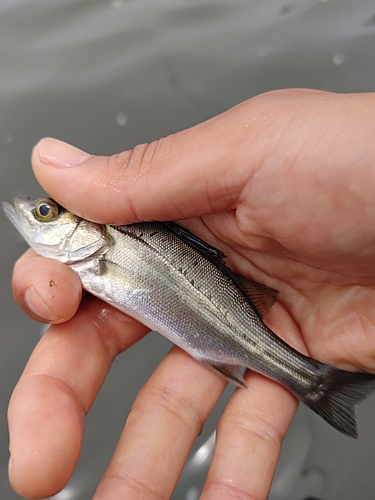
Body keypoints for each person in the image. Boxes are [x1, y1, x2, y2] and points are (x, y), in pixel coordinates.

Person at [8, 88, 375, 499]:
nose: (30, 211)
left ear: (84, 230)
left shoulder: (109, 239)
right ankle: (312, 380)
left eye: (46, 212)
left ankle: (315, 382)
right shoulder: (98, 250)